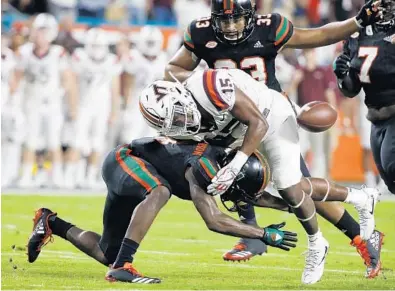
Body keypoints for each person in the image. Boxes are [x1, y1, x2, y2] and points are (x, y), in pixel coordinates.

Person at [163, 0, 384, 271]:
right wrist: (204, 81)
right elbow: (172, 70)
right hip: (230, 119)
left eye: (237, 20)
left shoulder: (271, 28)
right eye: (224, 20)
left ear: (251, 17)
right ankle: (252, 235)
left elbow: (320, 35)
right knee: (231, 177)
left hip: (270, 115)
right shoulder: (201, 32)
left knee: (299, 188)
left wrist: (357, 22)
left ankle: (361, 236)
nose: (230, 27)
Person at [139, 70, 379, 283]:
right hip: (239, 133)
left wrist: (236, 164)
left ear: (181, 97)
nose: (183, 123)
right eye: (175, 124)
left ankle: (317, 243)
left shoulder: (207, 85)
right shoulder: (181, 126)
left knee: (290, 187)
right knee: (241, 187)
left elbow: (258, 122)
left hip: (270, 117)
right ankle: (360, 198)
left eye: (179, 115)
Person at [27, 136, 298, 284]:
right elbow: (214, 220)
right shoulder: (203, 168)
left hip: (135, 172)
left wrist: (298, 207)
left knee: (107, 252)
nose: (243, 199)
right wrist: (262, 233)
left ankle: (50, 222)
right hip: (125, 160)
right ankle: (123, 267)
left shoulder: (223, 165)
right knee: (160, 191)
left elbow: (255, 196)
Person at [334, 0, 395, 195]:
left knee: (392, 165)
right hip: (375, 118)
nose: (385, 9)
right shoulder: (356, 34)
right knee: (390, 181)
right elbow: (351, 90)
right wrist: (343, 76)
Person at [13, 13, 77, 188]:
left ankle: (57, 176)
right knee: (30, 140)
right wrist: (13, 101)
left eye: (43, 31)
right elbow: (16, 79)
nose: (40, 35)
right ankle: (26, 174)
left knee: (53, 140)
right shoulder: (25, 52)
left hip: (52, 103)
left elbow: (68, 80)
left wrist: (71, 105)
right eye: (38, 31)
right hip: (31, 102)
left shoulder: (58, 53)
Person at [64, 28, 121, 189]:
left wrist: (114, 111)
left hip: (102, 106)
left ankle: (90, 175)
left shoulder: (111, 61)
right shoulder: (79, 57)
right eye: (93, 45)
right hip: (83, 104)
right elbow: (72, 83)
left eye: (98, 46)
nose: (96, 49)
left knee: (97, 142)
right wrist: (73, 106)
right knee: (77, 140)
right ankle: (71, 174)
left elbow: (115, 88)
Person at [120, 26, 166, 144]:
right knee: (130, 138)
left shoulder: (164, 58)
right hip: (136, 102)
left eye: (153, 42)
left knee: (152, 140)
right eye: (148, 42)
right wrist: (126, 106)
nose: (150, 45)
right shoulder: (133, 56)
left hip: (156, 104)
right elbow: (127, 84)